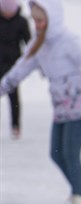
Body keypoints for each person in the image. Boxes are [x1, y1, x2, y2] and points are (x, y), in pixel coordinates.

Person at [0, 0, 81, 204]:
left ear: (52, 19)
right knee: (56, 154)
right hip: (61, 107)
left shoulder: (69, 41)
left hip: (80, 105)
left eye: (41, 20)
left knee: (70, 154)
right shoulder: (38, 45)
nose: (36, 25)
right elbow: (17, 72)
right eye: (34, 20)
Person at [0, 0, 30, 138]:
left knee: (14, 97)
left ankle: (15, 126)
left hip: (13, 65)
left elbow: (29, 43)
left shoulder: (21, 21)